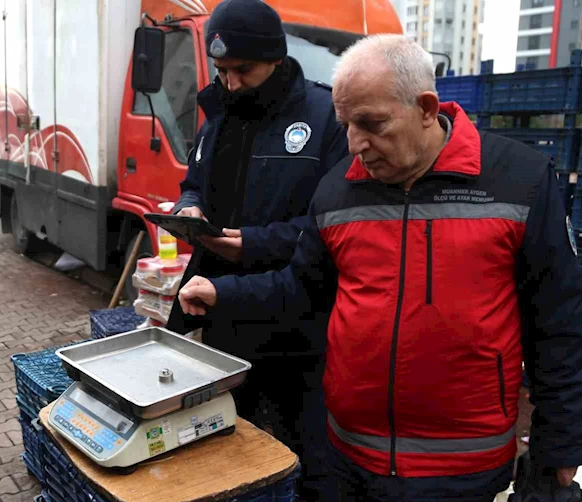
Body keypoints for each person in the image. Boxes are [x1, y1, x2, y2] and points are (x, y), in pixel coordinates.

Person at [178, 35, 582, 501]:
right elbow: (302, 289)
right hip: (348, 458)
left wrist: (560, 446)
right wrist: (223, 293)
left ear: (427, 108)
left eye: (371, 124)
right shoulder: (337, 190)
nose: (355, 144)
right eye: (346, 124)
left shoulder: (520, 181)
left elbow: (556, 323)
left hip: (462, 468)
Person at [165, 0, 348, 499]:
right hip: (225, 309)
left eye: (243, 69)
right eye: (222, 70)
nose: (231, 82)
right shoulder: (216, 118)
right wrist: (188, 208)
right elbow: (193, 182)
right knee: (233, 445)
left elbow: (334, 226)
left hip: (300, 323)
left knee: (302, 454)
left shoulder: (325, 118)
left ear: (276, 57)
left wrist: (255, 244)